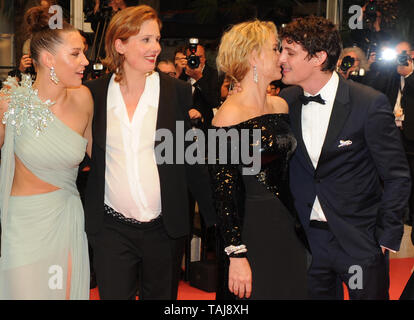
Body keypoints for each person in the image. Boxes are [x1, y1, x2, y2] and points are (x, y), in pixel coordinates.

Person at [83, 5, 215, 300]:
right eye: (145, 40)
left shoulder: (177, 92)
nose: (155, 47)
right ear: (120, 44)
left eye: (157, 39)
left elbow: (190, 161)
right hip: (110, 229)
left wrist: (219, 223)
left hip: (165, 230)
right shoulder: (94, 94)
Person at [278, 16, 411, 299]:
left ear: (318, 57)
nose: (281, 59)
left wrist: (386, 236)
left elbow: (397, 175)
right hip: (307, 242)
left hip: (359, 241)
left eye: (289, 52)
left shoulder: (368, 103)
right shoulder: (285, 101)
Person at [209, 20, 308, 300]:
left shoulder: (281, 105)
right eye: (275, 48)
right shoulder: (227, 117)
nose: (282, 56)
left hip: (289, 228)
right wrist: (237, 256)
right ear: (253, 56)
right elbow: (223, 195)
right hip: (254, 230)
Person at [0, 6, 92, 299]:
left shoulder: (84, 99)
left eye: (84, 53)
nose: (85, 61)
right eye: (76, 54)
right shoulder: (11, 99)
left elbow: (102, 157)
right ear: (49, 59)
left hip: (66, 219)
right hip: (24, 225)